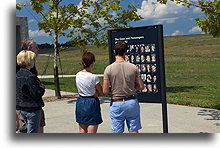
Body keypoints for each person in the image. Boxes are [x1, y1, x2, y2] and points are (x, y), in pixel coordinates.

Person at [103, 41, 144, 133]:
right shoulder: (133, 67)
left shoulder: (108, 69)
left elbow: (105, 91)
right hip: (131, 101)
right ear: (125, 52)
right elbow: (141, 86)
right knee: (134, 130)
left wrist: (113, 88)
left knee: (117, 131)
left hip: (116, 102)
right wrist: (133, 87)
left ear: (114, 51)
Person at [16, 39, 46, 133]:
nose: (38, 49)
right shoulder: (24, 68)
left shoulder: (27, 65)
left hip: (25, 106)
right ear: (29, 48)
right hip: (27, 106)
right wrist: (40, 88)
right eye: (36, 47)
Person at [75, 52, 103, 133]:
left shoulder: (78, 74)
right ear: (92, 62)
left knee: (82, 126)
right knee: (92, 124)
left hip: (81, 101)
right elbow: (101, 92)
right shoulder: (94, 77)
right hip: (91, 102)